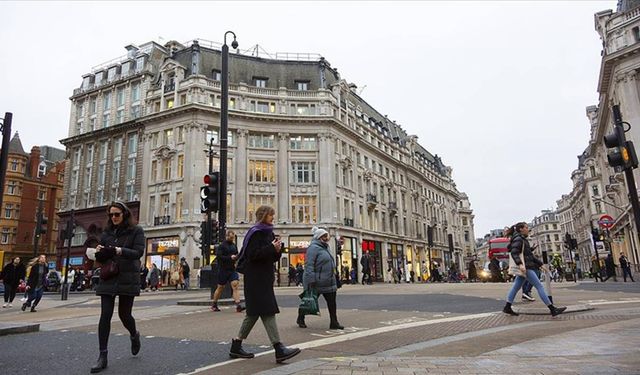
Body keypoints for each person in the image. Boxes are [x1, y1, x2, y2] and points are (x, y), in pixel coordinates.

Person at [228, 205, 300, 363]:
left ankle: (236, 345)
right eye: (270, 215)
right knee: (267, 310)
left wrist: (278, 249)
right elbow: (252, 255)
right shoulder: (256, 233)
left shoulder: (268, 232)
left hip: (264, 277)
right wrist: (270, 248)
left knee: (253, 313)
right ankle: (279, 348)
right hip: (255, 278)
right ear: (263, 216)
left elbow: (271, 257)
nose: (273, 218)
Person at [91, 201, 145, 373]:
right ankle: (102, 356)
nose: (113, 217)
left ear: (125, 214)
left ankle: (134, 334)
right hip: (109, 275)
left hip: (127, 276)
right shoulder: (107, 233)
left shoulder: (136, 231)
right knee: (105, 315)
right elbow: (102, 257)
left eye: (117, 214)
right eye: (111, 215)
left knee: (124, 314)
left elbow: (138, 253)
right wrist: (98, 251)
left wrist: (119, 250)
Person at [502, 222, 566, 317]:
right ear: (521, 229)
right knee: (539, 286)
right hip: (526, 268)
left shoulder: (521, 239)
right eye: (526, 228)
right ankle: (552, 309)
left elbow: (530, 255)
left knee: (515, 287)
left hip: (526, 267)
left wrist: (540, 264)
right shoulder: (519, 239)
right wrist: (520, 264)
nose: (528, 229)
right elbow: (514, 253)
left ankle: (507, 307)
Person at [297, 227, 343, 330]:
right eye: (324, 236)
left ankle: (334, 322)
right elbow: (309, 265)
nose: (327, 238)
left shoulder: (326, 247)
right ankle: (300, 318)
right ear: (319, 237)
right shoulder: (313, 248)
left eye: (327, 236)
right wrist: (311, 280)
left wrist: (336, 277)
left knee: (332, 304)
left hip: (329, 281)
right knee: (309, 301)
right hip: (317, 282)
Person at [212, 230, 245, 312]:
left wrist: (237, 258)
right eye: (230, 237)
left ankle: (238, 305)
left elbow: (237, 255)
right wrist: (230, 257)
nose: (232, 239)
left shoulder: (234, 245)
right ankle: (214, 304)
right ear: (227, 236)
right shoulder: (222, 246)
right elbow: (219, 257)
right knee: (220, 287)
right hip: (223, 269)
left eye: (233, 238)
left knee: (235, 285)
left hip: (232, 269)